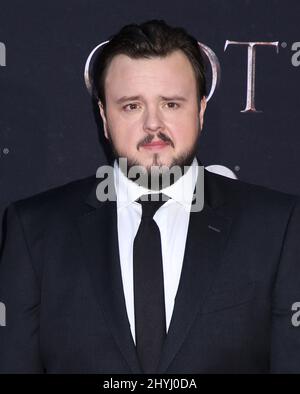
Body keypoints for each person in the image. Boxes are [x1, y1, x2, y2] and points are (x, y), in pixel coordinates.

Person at [0, 19, 300, 374]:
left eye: (171, 104)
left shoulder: (275, 227)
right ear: (103, 116)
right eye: (131, 106)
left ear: (201, 110)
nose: (153, 125)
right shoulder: (35, 231)